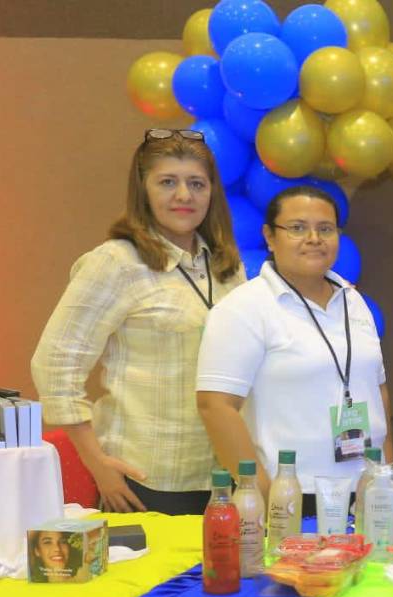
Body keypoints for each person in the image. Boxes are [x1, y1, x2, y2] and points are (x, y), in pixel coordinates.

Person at [31, 129, 243, 515]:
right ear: (143, 191)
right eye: (167, 182)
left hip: (222, 478)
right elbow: (55, 365)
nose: (184, 195)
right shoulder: (115, 264)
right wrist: (98, 465)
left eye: (197, 183)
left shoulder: (227, 268)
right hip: (145, 481)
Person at [196, 186, 393, 514]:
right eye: (298, 228)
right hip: (293, 500)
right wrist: (265, 494)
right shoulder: (244, 309)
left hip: (367, 495)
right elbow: (215, 406)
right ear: (270, 237)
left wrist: (387, 474)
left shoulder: (353, 301)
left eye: (326, 229)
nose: (314, 238)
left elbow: (378, 390)